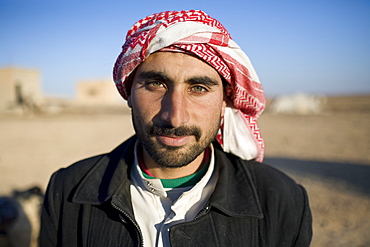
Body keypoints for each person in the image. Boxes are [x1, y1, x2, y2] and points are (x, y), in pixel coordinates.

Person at [39, 10, 312, 247]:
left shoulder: (281, 200)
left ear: (225, 100)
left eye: (199, 88)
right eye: (156, 84)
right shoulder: (68, 192)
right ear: (129, 93)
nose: (175, 118)